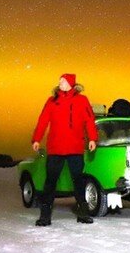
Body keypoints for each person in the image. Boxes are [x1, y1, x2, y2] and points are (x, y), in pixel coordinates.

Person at [31, 73, 98, 226]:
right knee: (50, 183)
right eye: (60, 81)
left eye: (63, 81)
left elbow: (89, 120)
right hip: (55, 149)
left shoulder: (82, 100)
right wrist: (36, 139)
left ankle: (83, 214)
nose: (60, 83)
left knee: (79, 181)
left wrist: (93, 138)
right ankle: (45, 216)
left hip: (75, 148)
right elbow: (43, 120)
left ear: (70, 84)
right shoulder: (52, 101)